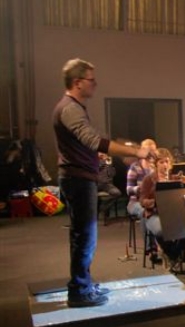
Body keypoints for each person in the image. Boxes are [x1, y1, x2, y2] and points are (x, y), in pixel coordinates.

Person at [52, 58, 152, 307]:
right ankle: (79, 291)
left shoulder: (72, 107)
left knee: (83, 235)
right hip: (78, 179)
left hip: (79, 177)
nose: (95, 84)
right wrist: (137, 151)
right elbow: (94, 140)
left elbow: (88, 143)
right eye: (91, 79)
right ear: (77, 82)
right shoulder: (70, 109)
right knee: (85, 236)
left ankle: (83, 284)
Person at [139, 148, 182, 268]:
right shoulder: (149, 179)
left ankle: (171, 255)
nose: (165, 165)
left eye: (167, 162)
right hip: (154, 214)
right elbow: (142, 200)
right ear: (155, 164)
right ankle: (172, 255)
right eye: (161, 162)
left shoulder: (174, 179)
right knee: (160, 230)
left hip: (172, 214)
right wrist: (155, 202)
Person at [126, 138, 157, 219]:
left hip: (152, 201)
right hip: (135, 202)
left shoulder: (155, 168)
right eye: (148, 151)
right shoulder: (135, 167)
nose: (151, 154)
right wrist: (142, 188)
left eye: (153, 151)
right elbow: (128, 190)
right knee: (146, 212)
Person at [97, 152, 121, 218]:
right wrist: (103, 161)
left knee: (117, 193)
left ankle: (103, 208)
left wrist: (109, 166)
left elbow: (112, 174)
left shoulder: (108, 162)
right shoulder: (93, 160)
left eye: (104, 153)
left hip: (107, 184)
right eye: (101, 153)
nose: (103, 154)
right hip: (95, 184)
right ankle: (96, 211)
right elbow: (97, 168)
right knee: (89, 195)